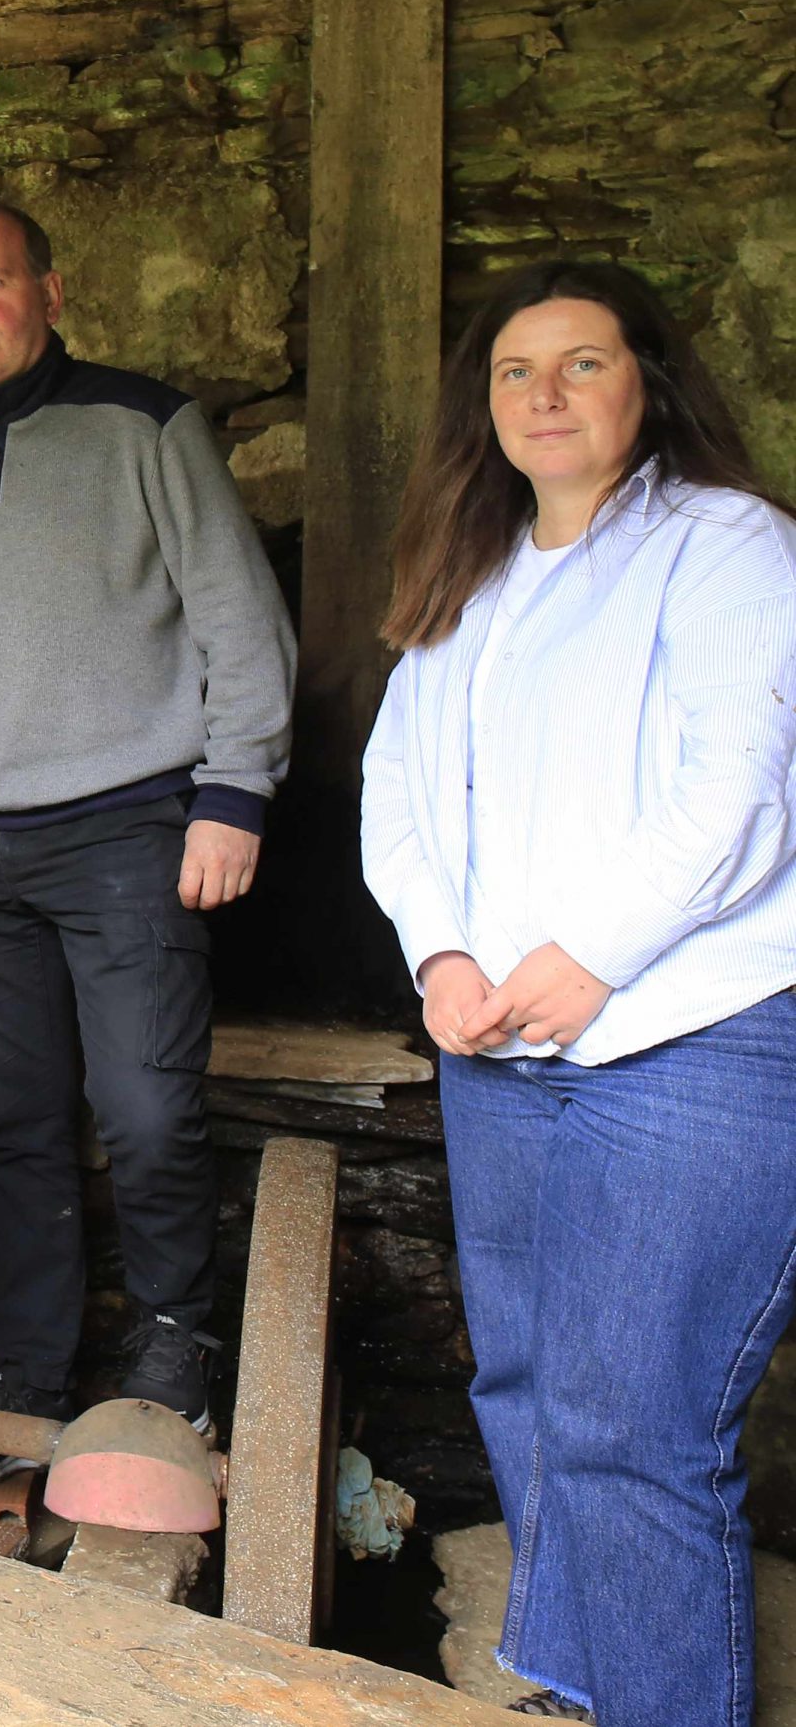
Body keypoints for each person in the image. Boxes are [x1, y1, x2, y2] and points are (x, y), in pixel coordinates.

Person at [361, 261, 796, 1727]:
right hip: (504, 1045)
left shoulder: (727, 544)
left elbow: (733, 792)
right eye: (514, 370)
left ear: (648, 382)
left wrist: (590, 949)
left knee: (635, 1424)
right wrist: (443, 953)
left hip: (696, 1036)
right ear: (482, 407)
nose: (544, 393)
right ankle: (573, 1675)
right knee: (532, 1386)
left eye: (582, 363)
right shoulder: (470, 573)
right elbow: (396, 791)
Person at [0, 203, 294, 1477]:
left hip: (127, 826)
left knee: (144, 1108)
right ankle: (30, 1371)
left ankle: (172, 1351)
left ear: (50, 286)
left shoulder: (147, 426)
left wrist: (234, 792)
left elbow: (240, 621)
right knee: (15, 1119)